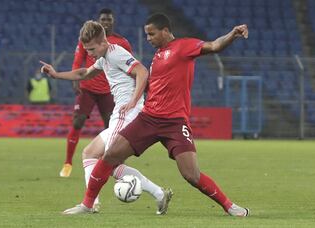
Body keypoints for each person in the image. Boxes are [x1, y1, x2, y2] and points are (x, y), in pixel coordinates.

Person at [70, 13, 250, 216]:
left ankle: (230, 207)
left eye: (151, 34)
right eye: (146, 35)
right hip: (148, 118)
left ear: (165, 31)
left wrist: (232, 34)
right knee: (110, 155)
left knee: (191, 175)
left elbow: (214, 45)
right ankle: (87, 205)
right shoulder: (157, 56)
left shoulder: (184, 46)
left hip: (174, 122)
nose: (148, 39)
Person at [40, 20, 173, 215]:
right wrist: (56, 74)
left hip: (126, 113)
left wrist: (133, 101)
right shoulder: (104, 58)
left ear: (103, 42)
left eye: (92, 49)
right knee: (89, 153)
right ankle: (98, 203)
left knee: (108, 162)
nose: (89, 54)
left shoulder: (116, 53)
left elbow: (142, 72)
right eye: (86, 50)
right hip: (121, 113)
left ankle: (92, 204)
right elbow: (84, 73)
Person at [60, 8, 134, 178]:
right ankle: (68, 163)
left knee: (112, 127)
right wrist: (75, 79)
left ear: (113, 22)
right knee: (78, 122)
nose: (106, 22)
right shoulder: (87, 39)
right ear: (99, 21)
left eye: (109, 19)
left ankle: (113, 163)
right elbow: (78, 61)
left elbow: (129, 67)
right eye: (103, 19)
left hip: (109, 91)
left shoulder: (122, 43)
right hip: (87, 88)